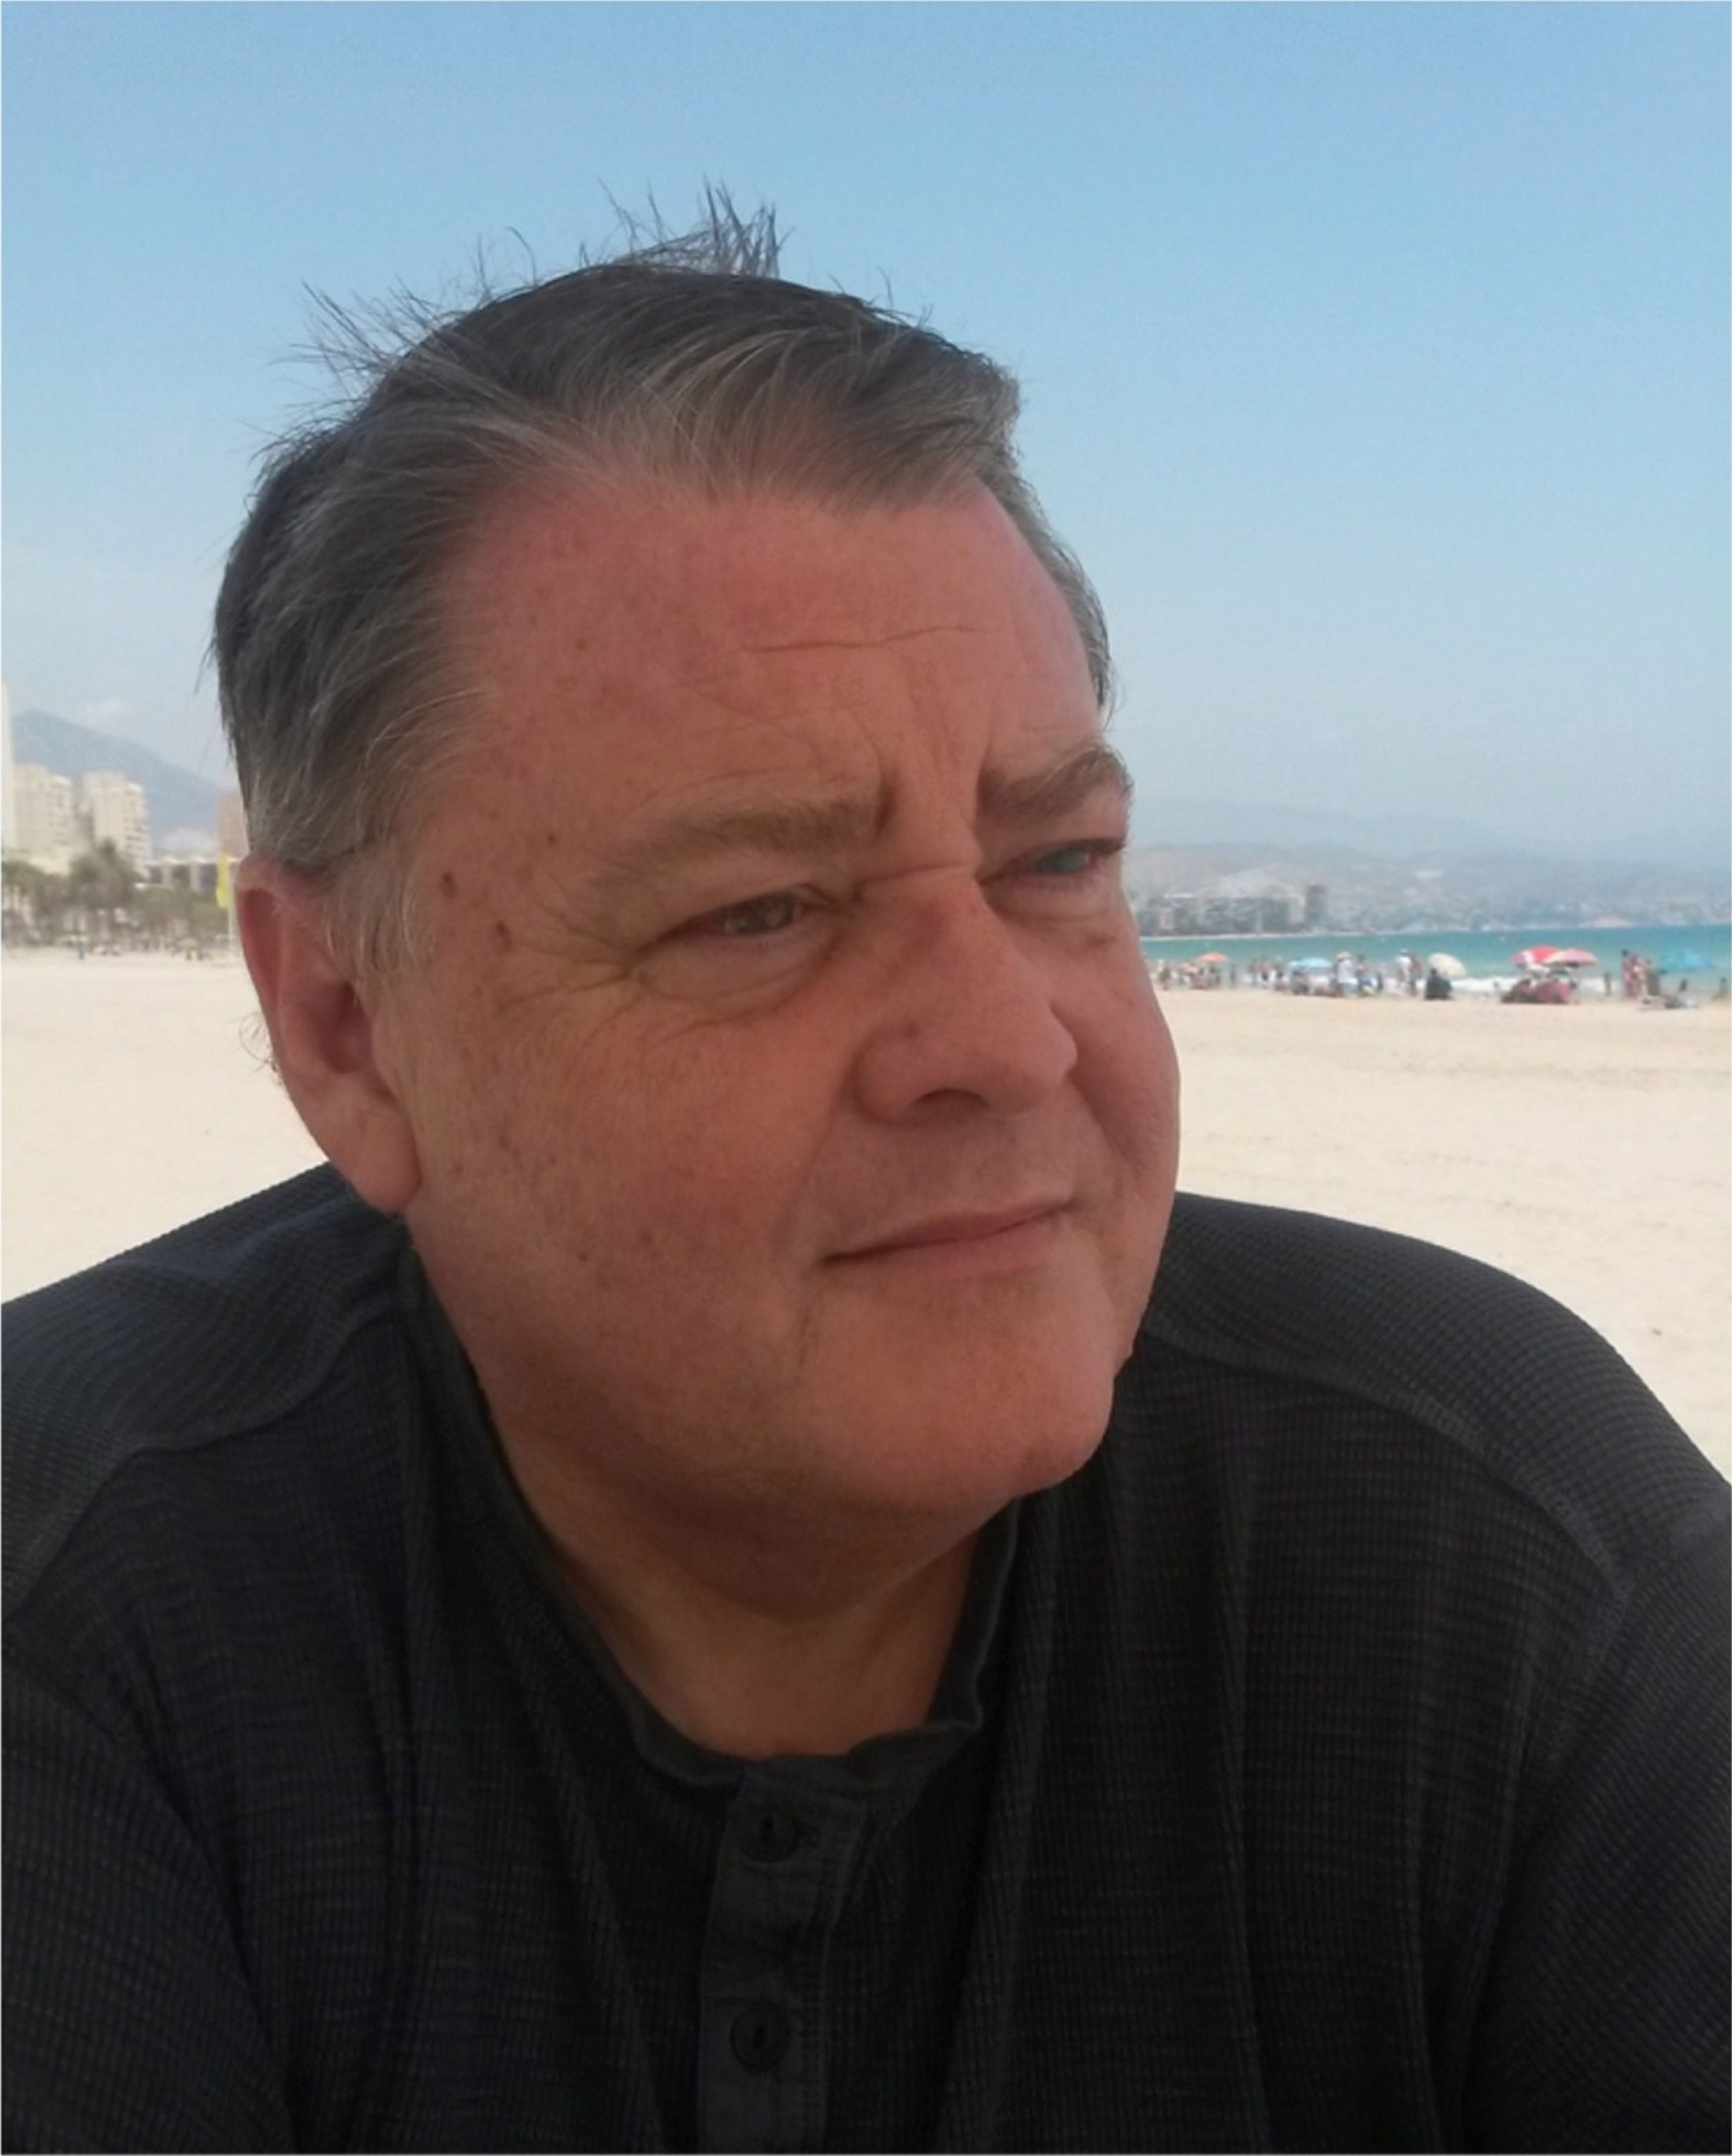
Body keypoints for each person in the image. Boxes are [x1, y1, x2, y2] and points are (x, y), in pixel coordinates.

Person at [6, 206, 1727, 2155]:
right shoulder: (78, 1616)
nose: (1007, 1040)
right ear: (343, 1026)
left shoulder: (1501, 1556)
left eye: (1055, 864)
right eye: (759, 909)